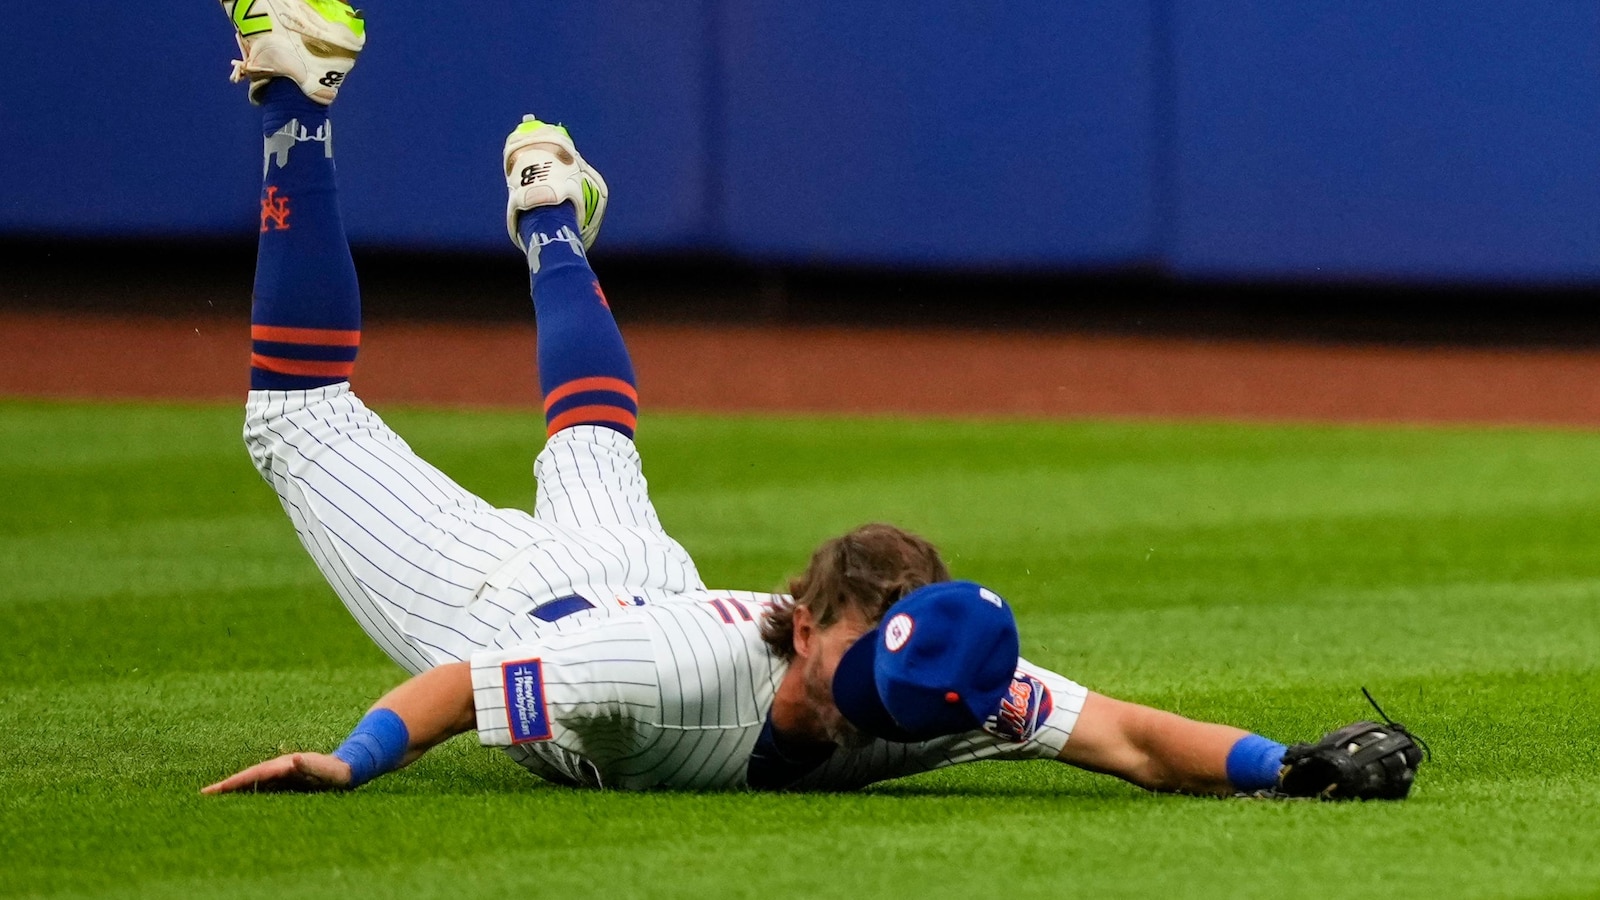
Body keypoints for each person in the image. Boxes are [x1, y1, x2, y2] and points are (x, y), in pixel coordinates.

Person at [204, 0, 1422, 799]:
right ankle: (297, 105)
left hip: (641, 570)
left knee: (592, 435)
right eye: (864, 689)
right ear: (811, 617)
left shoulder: (941, 687)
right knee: (296, 415)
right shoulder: (667, 670)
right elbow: (465, 688)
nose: (869, 723)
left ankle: (547, 225)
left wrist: (1288, 767)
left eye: (895, 706)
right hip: (525, 609)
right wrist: (353, 762)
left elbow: (1132, 741)